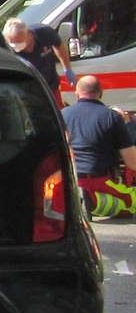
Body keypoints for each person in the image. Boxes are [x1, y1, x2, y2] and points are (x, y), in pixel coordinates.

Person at [62, 75, 136, 218]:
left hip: (71, 179)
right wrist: (128, 124)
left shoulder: (63, 113)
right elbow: (131, 162)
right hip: (100, 179)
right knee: (132, 201)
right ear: (100, 93)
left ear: (77, 94)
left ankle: (81, 199)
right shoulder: (111, 117)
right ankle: (93, 201)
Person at [2, 17, 76, 104]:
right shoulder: (5, 47)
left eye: (18, 42)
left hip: (50, 88)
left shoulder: (44, 33)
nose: (15, 46)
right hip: (27, 94)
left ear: (28, 33)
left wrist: (67, 68)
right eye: (12, 43)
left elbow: (59, 45)